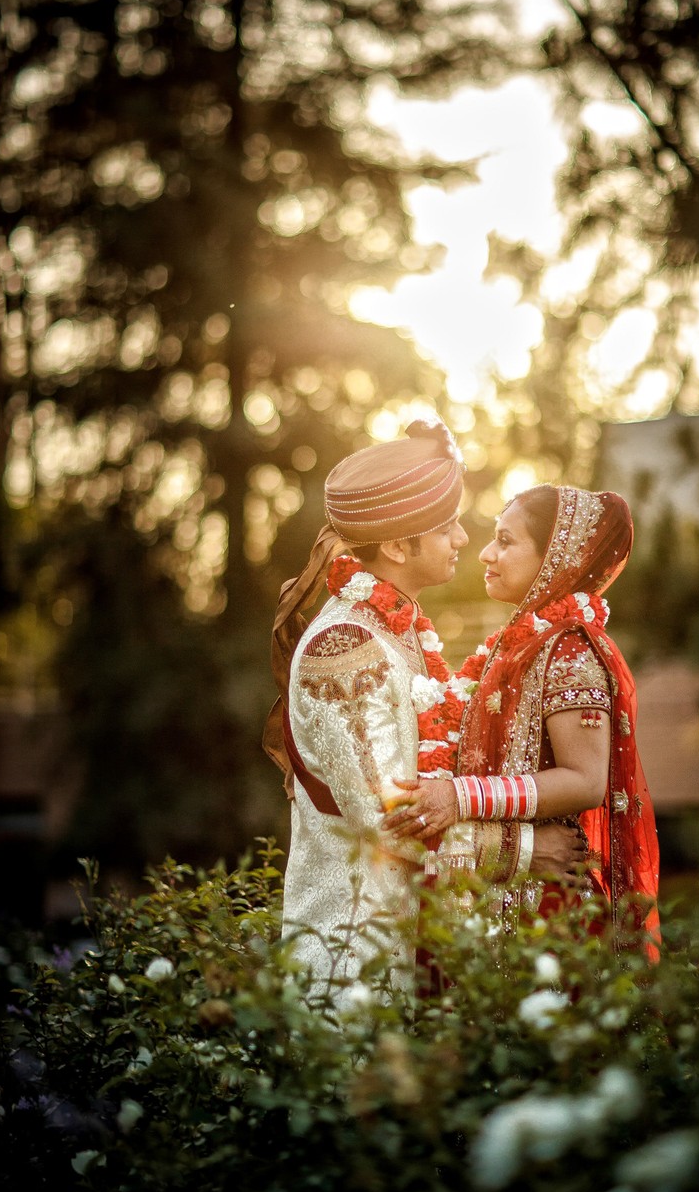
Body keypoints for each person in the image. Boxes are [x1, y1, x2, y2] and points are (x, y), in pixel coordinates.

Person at [264, 427, 585, 1004]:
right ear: (395, 547)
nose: (465, 538)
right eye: (447, 526)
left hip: (409, 961)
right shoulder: (344, 647)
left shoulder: (396, 633)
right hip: (349, 972)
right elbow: (390, 818)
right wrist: (531, 853)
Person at [384, 484, 660, 950]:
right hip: (504, 897)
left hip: (549, 912)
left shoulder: (571, 647)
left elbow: (586, 779)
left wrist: (459, 797)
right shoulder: (521, 646)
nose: (487, 554)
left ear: (557, 555)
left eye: (506, 541)